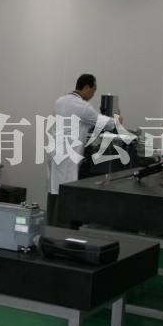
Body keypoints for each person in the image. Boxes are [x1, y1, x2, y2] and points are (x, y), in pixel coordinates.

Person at [46, 74, 119, 225]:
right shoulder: (82, 107)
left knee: (53, 191)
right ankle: (61, 230)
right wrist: (118, 120)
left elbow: (81, 123)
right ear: (86, 87)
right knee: (64, 192)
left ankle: (51, 226)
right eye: (93, 90)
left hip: (55, 152)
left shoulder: (60, 101)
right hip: (67, 156)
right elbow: (105, 123)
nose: (93, 94)